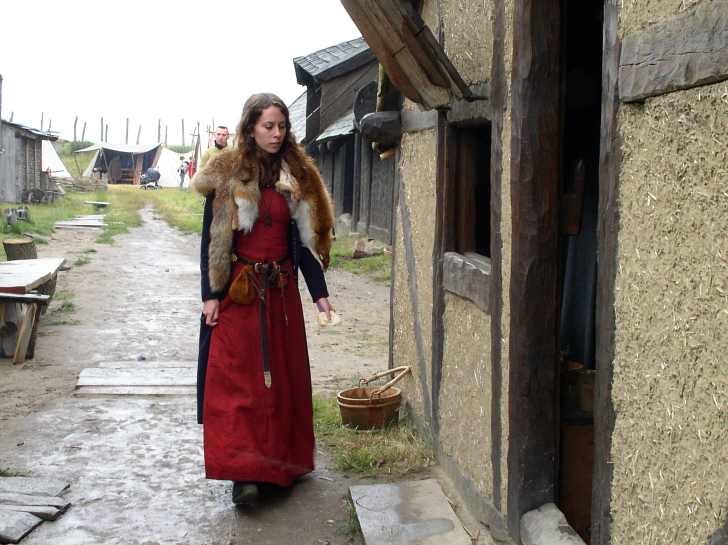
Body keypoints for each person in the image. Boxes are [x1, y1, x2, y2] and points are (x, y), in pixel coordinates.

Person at [191, 93, 335, 506]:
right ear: (250, 127)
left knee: (283, 384)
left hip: (282, 293)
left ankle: (279, 465)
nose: (276, 133)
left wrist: (319, 293)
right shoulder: (230, 171)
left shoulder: (297, 174)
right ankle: (244, 475)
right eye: (268, 126)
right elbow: (213, 236)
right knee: (240, 386)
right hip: (241, 292)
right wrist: (211, 296)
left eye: (282, 126)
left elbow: (304, 241)